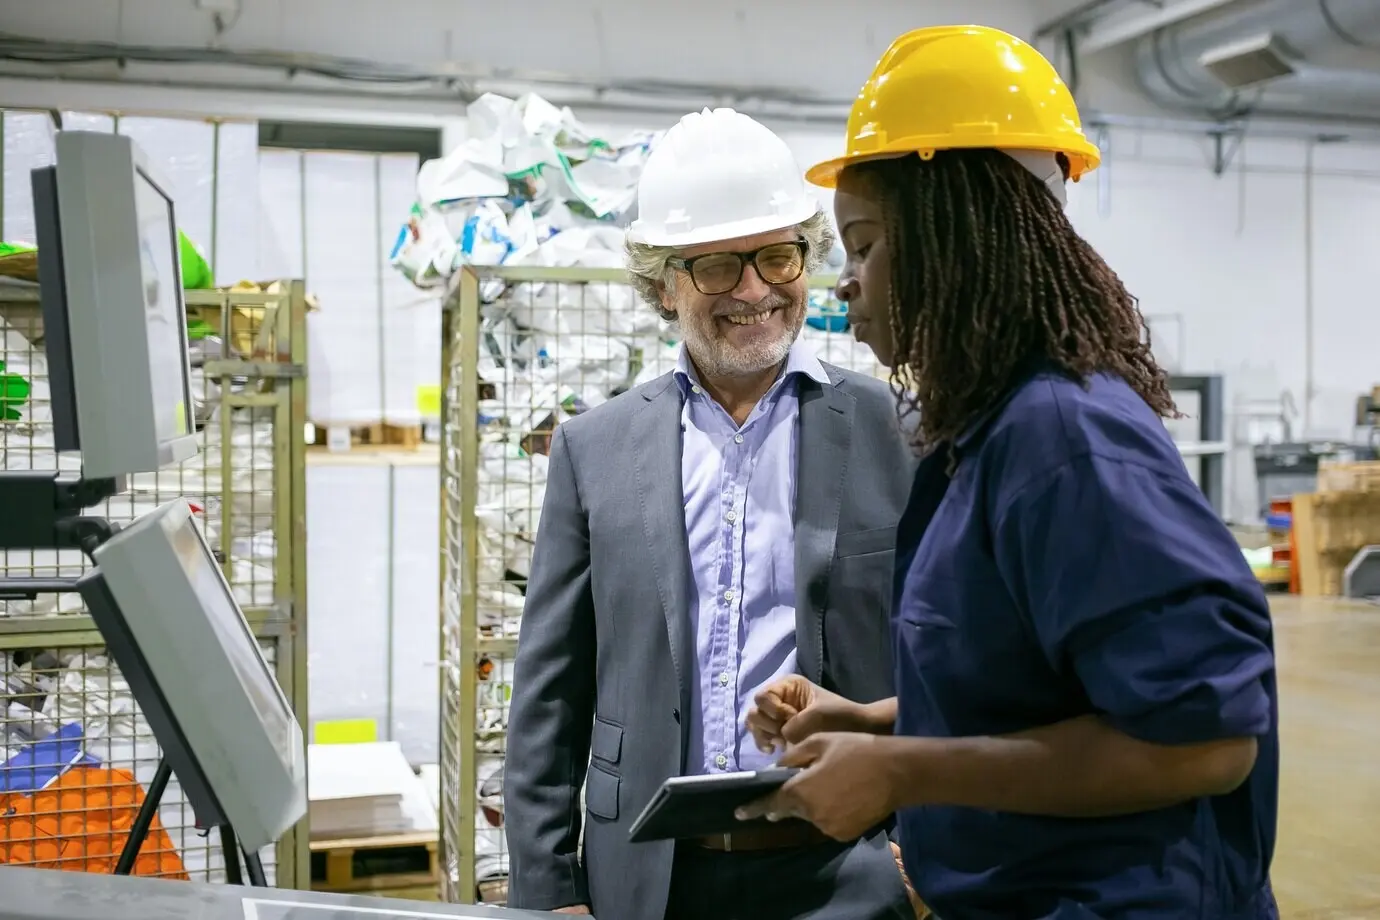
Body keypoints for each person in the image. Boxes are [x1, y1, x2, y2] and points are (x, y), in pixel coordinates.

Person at [739, 25, 1281, 920]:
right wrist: (869, 722)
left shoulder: (1067, 442)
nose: (849, 283)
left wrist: (901, 770)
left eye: (866, 245)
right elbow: (1033, 687)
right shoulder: (983, 434)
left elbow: (1208, 744)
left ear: (956, 237)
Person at [503, 107, 919, 920]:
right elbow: (549, 697)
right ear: (664, 284)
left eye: (776, 257)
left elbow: (952, 660)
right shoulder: (595, 449)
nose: (756, 290)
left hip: (849, 875)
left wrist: (923, 859)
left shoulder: (897, 431)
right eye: (720, 267)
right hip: (651, 881)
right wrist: (550, 894)